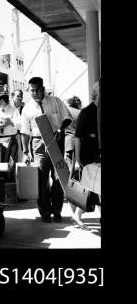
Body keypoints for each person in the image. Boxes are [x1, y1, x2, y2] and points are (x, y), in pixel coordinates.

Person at [20, 77, 72, 223]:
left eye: (37, 90)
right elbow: (24, 131)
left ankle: (57, 211)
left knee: (58, 178)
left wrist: (61, 129)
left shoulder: (55, 101)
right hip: (38, 144)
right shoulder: (27, 108)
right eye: (32, 90)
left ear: (43, 89)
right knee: (41, 179)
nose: (35, 93)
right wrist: (25, 152)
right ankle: (44, 211)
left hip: (57, 141)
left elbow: (68, 117)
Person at [72, 80, 101, 227]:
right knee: (94, 186)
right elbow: (78, 138)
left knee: (94, 187)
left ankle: (77, 215)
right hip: (90, 156)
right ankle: (77, 215)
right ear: (97, 93)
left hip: (97, 156)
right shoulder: (87, 112)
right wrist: (78, 158)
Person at [64, 96, 82, 177]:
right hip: (79, 140)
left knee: (69, 163)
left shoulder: (67, 111)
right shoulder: (80, 112)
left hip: (69, 140)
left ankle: (70, 182)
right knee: (78, 162)